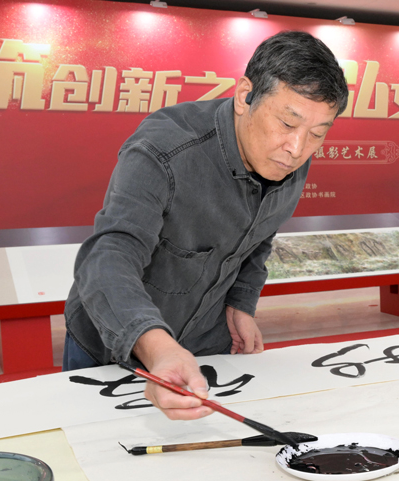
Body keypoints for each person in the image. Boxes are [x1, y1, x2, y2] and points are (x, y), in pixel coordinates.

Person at [63, 30, 348, 421]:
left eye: (317, 134)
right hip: (113, 344)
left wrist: (241, 302)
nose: (297, 149)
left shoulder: (287, 157)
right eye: (286, 123)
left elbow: (261, 234)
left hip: (205, 344)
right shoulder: (165, 150)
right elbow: (108, 258)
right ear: (245, 95)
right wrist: (158, 348)